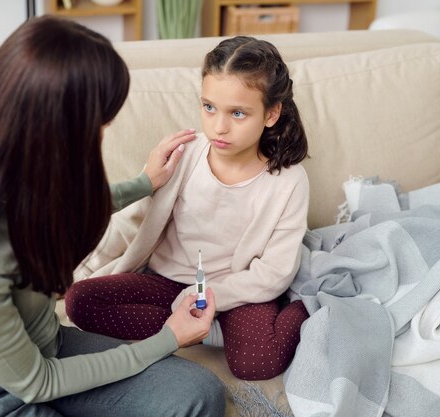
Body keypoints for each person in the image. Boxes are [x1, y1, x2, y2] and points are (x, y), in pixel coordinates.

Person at [0, 16, 225, 417]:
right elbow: (38, 383)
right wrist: (167, 337)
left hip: (43, 348)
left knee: (196, 392)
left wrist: (145, 182)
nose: (103, 134)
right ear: (56, 128)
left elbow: (61, 207)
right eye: (99, 124)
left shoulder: (18, 161)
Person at [66, 35, 311, 381]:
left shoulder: (289, 181)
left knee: (257, 364)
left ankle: (303, 309)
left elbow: (274, 272)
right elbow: (132, 220)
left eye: (238, 113)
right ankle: (202, 329)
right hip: (169, 284)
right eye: (209, 107)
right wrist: (81, 266)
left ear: (271, 114)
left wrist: (208, 296)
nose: (219, 126)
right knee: (80, 301)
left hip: (237, 291)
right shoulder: (185, 154)